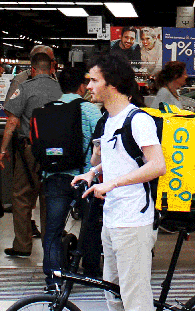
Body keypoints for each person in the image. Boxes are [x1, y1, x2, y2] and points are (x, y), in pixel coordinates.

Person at [72, 53, 165, 311]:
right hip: (112, 218)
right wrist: (94, 172)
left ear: (111, 84)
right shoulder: (110, 120)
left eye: (93, 80)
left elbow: (157, 166)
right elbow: (122, 158)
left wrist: (111, 184)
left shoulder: (138, 120)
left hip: (133, 220)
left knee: (135, 297)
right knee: (112, 293)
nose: (88, 86)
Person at [40, 67, 103, 293]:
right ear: (81, 86)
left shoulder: (47, 110)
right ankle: (92, 271)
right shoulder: (90, 110)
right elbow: (103, 141)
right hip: (85, 177)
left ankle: (53, 279)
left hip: (54, 176)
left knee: (53, 229)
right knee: (90, 225)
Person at [0, 51, 62, 257]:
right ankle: (50, 244)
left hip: (30, 151)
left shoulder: (24, 87)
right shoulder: (61, 88)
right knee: (49, 197)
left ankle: (23, 244)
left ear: (33, 69)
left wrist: (3, 149)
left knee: (22, 197)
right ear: (51, 68)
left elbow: (12, 121)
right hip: (56, 152)